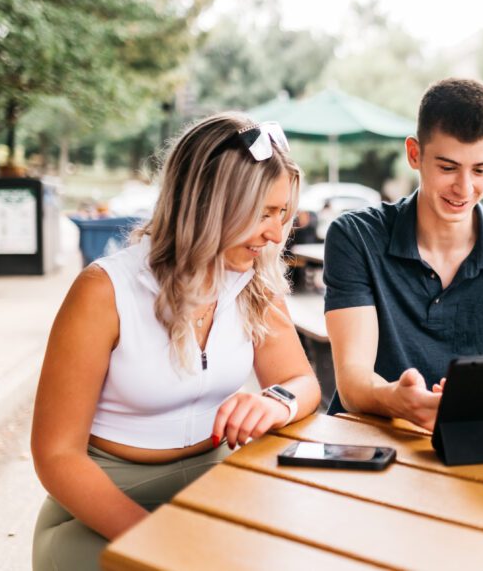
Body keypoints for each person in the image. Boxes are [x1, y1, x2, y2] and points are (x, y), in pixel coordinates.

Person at [31, 113, 321, 570]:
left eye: (283, 213)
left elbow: (300, 380)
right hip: (102, 510)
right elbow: (56, 456)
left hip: (216, 490)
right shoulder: (104, 290)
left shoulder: (255, 282)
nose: (275, 235)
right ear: (205, 205)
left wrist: (278, 401)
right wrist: (161, 541)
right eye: (263, 213)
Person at [323, 78, 483, 430]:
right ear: (414, 154)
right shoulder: (355, 237)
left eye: (480, 170)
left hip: (469, 447)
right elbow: (353, 384)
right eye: (447, 167)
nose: (464, 188)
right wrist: (395, 400)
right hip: (368, 443)